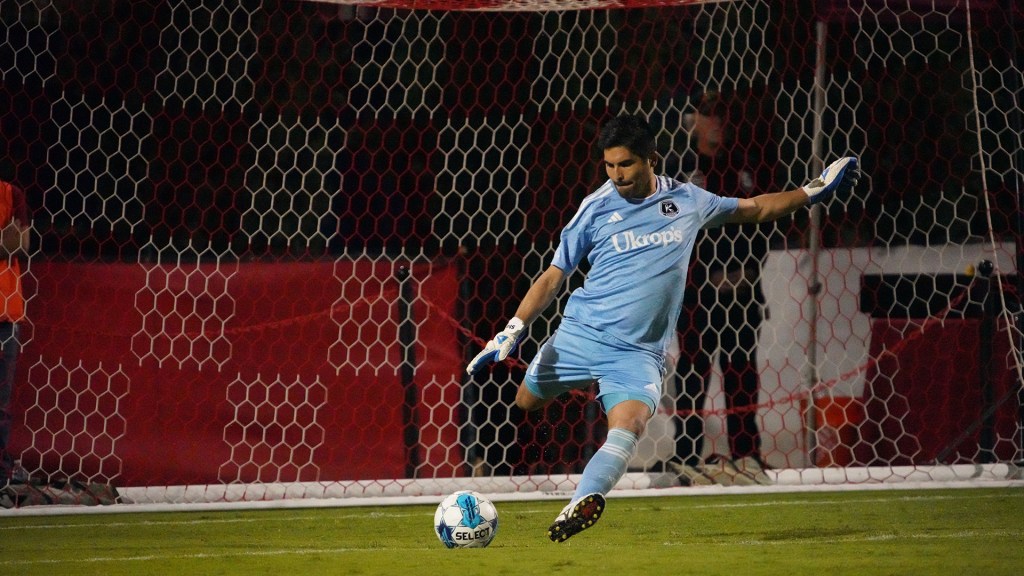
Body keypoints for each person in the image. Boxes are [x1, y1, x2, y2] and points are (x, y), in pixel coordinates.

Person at [466, 114, 860, 542]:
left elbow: (756, 208)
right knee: (525, 401)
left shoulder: (687, 200)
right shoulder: (595, 208)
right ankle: (487, 468)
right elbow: (553, 276)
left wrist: (811, 191)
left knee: (630, 424)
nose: (617, 176)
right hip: (580, 335)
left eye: (626, 165)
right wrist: (513, 328)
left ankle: (583, 500)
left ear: (652, 159)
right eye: (609, 166)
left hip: (637, 354)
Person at [670, 92, 772, 487]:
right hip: (697, 294)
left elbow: (760, 222)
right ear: (692, 119)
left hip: (742, 291)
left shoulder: (742, 166)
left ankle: (746, 455)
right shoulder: (680, 171)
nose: (718, 123)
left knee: (741, 371)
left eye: (722, 116)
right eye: (710, 115)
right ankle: (686, 457)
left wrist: (747, 271)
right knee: (693, 372)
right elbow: (677, 231)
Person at [0, 177, 30, 485]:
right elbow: (8, 242)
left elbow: (20, 244)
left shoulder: (11, 194)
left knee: (1, 404)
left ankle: (0, 474)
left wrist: (10, 240)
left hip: (5, 314)